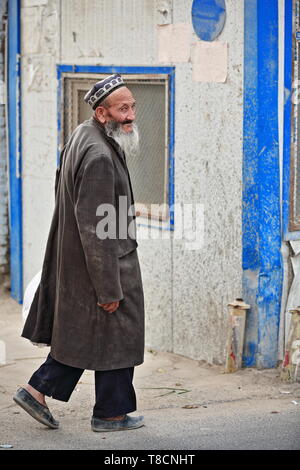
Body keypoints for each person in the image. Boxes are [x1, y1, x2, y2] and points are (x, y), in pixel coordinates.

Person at [13, 74, 145, 433]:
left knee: (93, 336)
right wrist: (108, 288)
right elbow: (96, 230)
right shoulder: (100, 155)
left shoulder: (83, 134)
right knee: (117, 333)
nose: (131, 115)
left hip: (85, 262)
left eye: (133, 106)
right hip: (104, 265)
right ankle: (108, 414)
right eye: (123, 109)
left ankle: (41, 391)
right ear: (102, 113)